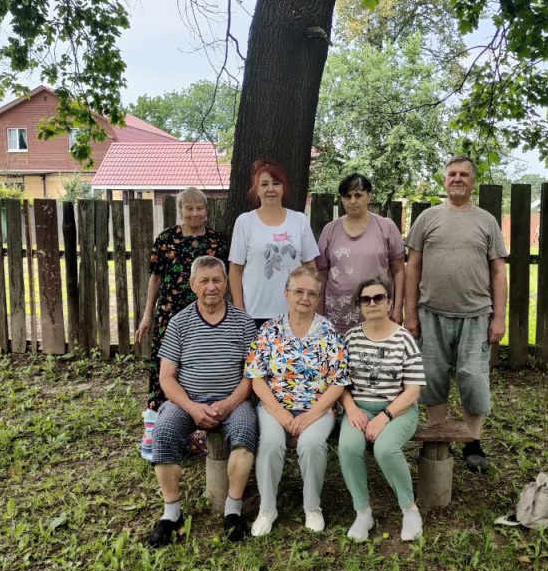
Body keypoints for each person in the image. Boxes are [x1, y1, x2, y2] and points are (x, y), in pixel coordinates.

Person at [404, 155, 508, 472]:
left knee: (473, 378)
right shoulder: (427, 218)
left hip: (476, 315)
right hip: (431, 313)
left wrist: (499, 317)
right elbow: (413, 267)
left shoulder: (487, 221)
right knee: (433, 378)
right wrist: (410, 313)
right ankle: (440, 438)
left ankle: (473, 444)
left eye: (464, 174)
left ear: (473, 181)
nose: (458, 179)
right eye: (452, 174)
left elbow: (498, 271)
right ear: (444, 180)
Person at [146, 256, 257, 547]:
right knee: (164, 433)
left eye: (217, 280)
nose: (211, 287)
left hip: (233, 401)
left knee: (246, 435)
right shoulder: (179, 322)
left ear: (226, 284)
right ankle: (172, 513)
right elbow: (167, 377)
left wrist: (229, 404)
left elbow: (251, 376)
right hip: (187, 400)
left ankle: (233, 510)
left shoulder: (244, 323)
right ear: (193, 285)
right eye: (204, 281)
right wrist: (193, 408)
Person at [244, 265, 350, 536]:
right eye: (299, 291)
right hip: (274, 406)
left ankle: (312, 506)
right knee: (269, 443)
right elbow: (257, 378)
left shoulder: (329, 332)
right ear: (286, 293)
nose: (305, 298)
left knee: (312, 444)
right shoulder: (269, 330)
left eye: (312, 294)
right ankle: (267, 508)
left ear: (318, 298)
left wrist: (310, 415)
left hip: (318, 407)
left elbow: (338, 381)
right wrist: (281, 415)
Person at [339, 276, 426, 541]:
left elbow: (413, 389)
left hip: (398, 409)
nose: (372, 303)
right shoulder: (350, 338)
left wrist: (385, 416)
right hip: (359, 408)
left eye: (379, 297)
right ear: (359, 305)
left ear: (389, 302)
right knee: (348, 447)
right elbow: (340, 382)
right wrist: (351, 408)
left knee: (385, 448)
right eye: (366, 299)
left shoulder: (404, 339)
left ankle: (409, 510)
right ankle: (363, 512)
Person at [135, 187, 229, 412]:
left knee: (199, 360)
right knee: (166, 363)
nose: (195, 213)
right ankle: (160, 414)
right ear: (180, 211)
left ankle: (198, 410)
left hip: (206, 314)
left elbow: (225, 279)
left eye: (200, 208)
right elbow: (155, 278)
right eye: (189, 208)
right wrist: (148, 315)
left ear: (207, 210)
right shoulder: (166, 239)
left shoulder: (217, 241)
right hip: (170, 313)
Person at [229, 158, 319, 330]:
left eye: (276, 183)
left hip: (294, 311)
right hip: (255, 313)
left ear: (283, 187)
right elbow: (235, 269)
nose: (271, 189)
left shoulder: (299, 220)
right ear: (256, 190)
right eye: (264, 184)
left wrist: (311, 301)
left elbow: (310, 265)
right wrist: (240, 310)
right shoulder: (245, 222)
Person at [316, 173, 405, 334]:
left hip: (377, 313)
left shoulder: (386, 227)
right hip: (337, 319)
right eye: (347, 196)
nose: (352, 201)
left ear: (369, 196)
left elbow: (399, 270)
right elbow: (321, 274)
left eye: (358, 195)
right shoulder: (330, 230)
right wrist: (318, 315)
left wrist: (398, 308)